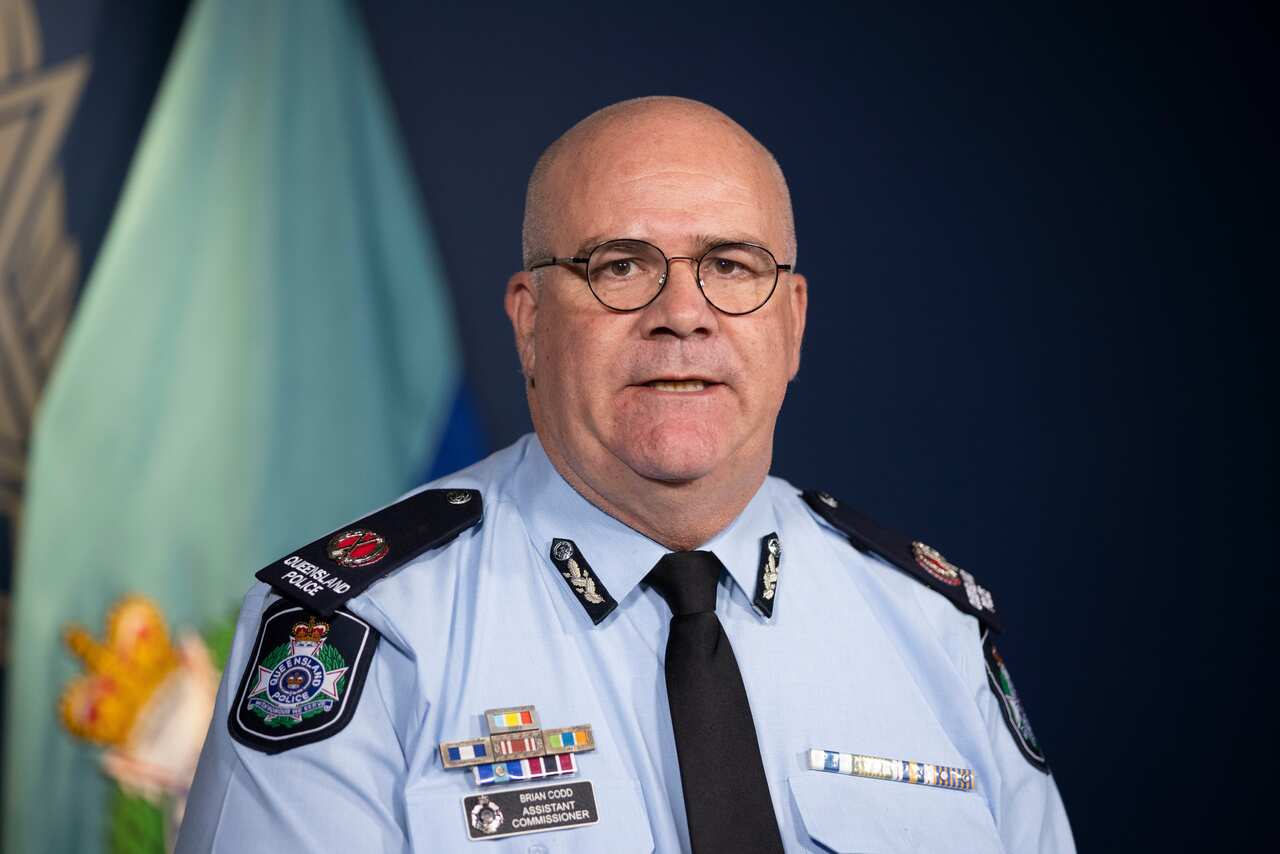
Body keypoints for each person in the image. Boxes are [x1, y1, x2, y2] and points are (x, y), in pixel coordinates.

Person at [176, 97, 1075, 853]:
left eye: (731, 265)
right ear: (529, 323)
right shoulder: (362, 631)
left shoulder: (929, 629)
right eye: (620, 267)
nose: (683, 314)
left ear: (792, 323)